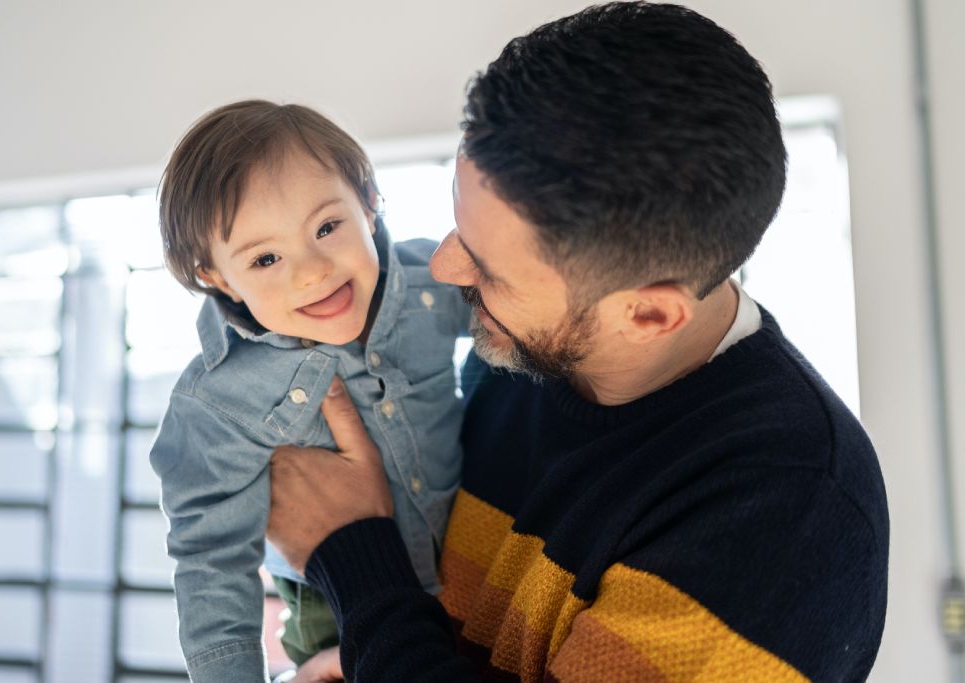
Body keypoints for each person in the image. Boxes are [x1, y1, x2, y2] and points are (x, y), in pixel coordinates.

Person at [266, 3, 890, 682]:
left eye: (489, 266)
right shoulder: (519, 351)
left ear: (648, 315)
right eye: (459, 225)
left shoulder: (789, 520)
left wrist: (352, 553)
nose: (444, 268)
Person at [150, 100, 468, 681]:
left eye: (326, 227)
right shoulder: (217, 404)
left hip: (478, 567)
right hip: (332, 614)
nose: (313, 271)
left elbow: (531, 307)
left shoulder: (431, 284)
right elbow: (211, 561)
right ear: (220, 279)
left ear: (369, 205)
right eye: (266, 258)